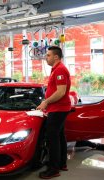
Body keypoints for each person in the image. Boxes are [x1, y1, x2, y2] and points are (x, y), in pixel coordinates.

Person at [37, 46, 71, 179]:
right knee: (60, 137)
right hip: (58, 108)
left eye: (48, 55)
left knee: (53, 139)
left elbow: (61, 92)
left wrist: (46, 102)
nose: (46, 57)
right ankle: (61, 163)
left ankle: (53, 169)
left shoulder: (60, 70)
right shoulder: (56, 69)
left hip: (58, 109)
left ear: (56, 57)